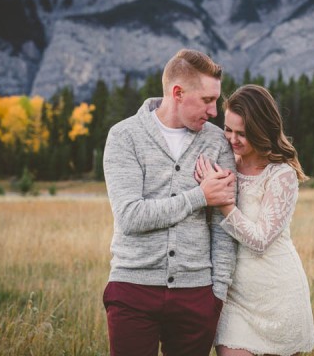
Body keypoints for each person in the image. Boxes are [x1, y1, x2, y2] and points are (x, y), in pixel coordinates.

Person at [102, 48, 238, 356]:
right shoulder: (125, 136)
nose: (215, 111)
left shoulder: (216, 142)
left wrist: (216, 294)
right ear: (177, 92)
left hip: (197, 295)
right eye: (207, 100)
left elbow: (223, 226)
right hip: (132, 289)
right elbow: (130, 216)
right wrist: (199, 196)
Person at [195, 84, 314, 356]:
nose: (232, 139)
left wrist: (224, 202)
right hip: (234, 296)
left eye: (243, 133)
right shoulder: (226, 164)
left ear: (262, 131)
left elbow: (260, 240)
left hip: (278, 294)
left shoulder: (280, 174)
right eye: (228, 129)